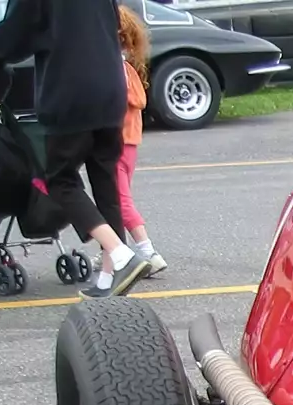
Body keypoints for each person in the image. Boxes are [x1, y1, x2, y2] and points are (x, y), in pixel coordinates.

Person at [0, 0, 150, 297]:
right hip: (111, 92)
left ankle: (120, 254)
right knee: (106, 183)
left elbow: (8, 41)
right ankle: (109, 277)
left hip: (70, 95)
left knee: (60, 180)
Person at [116, 4, 165, 274]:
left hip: (115, 143)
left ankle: (148, 252)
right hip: (130, 144)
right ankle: (111, 250)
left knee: (119, 200)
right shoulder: (129, 68)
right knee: (114, 199)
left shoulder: (111, 69)